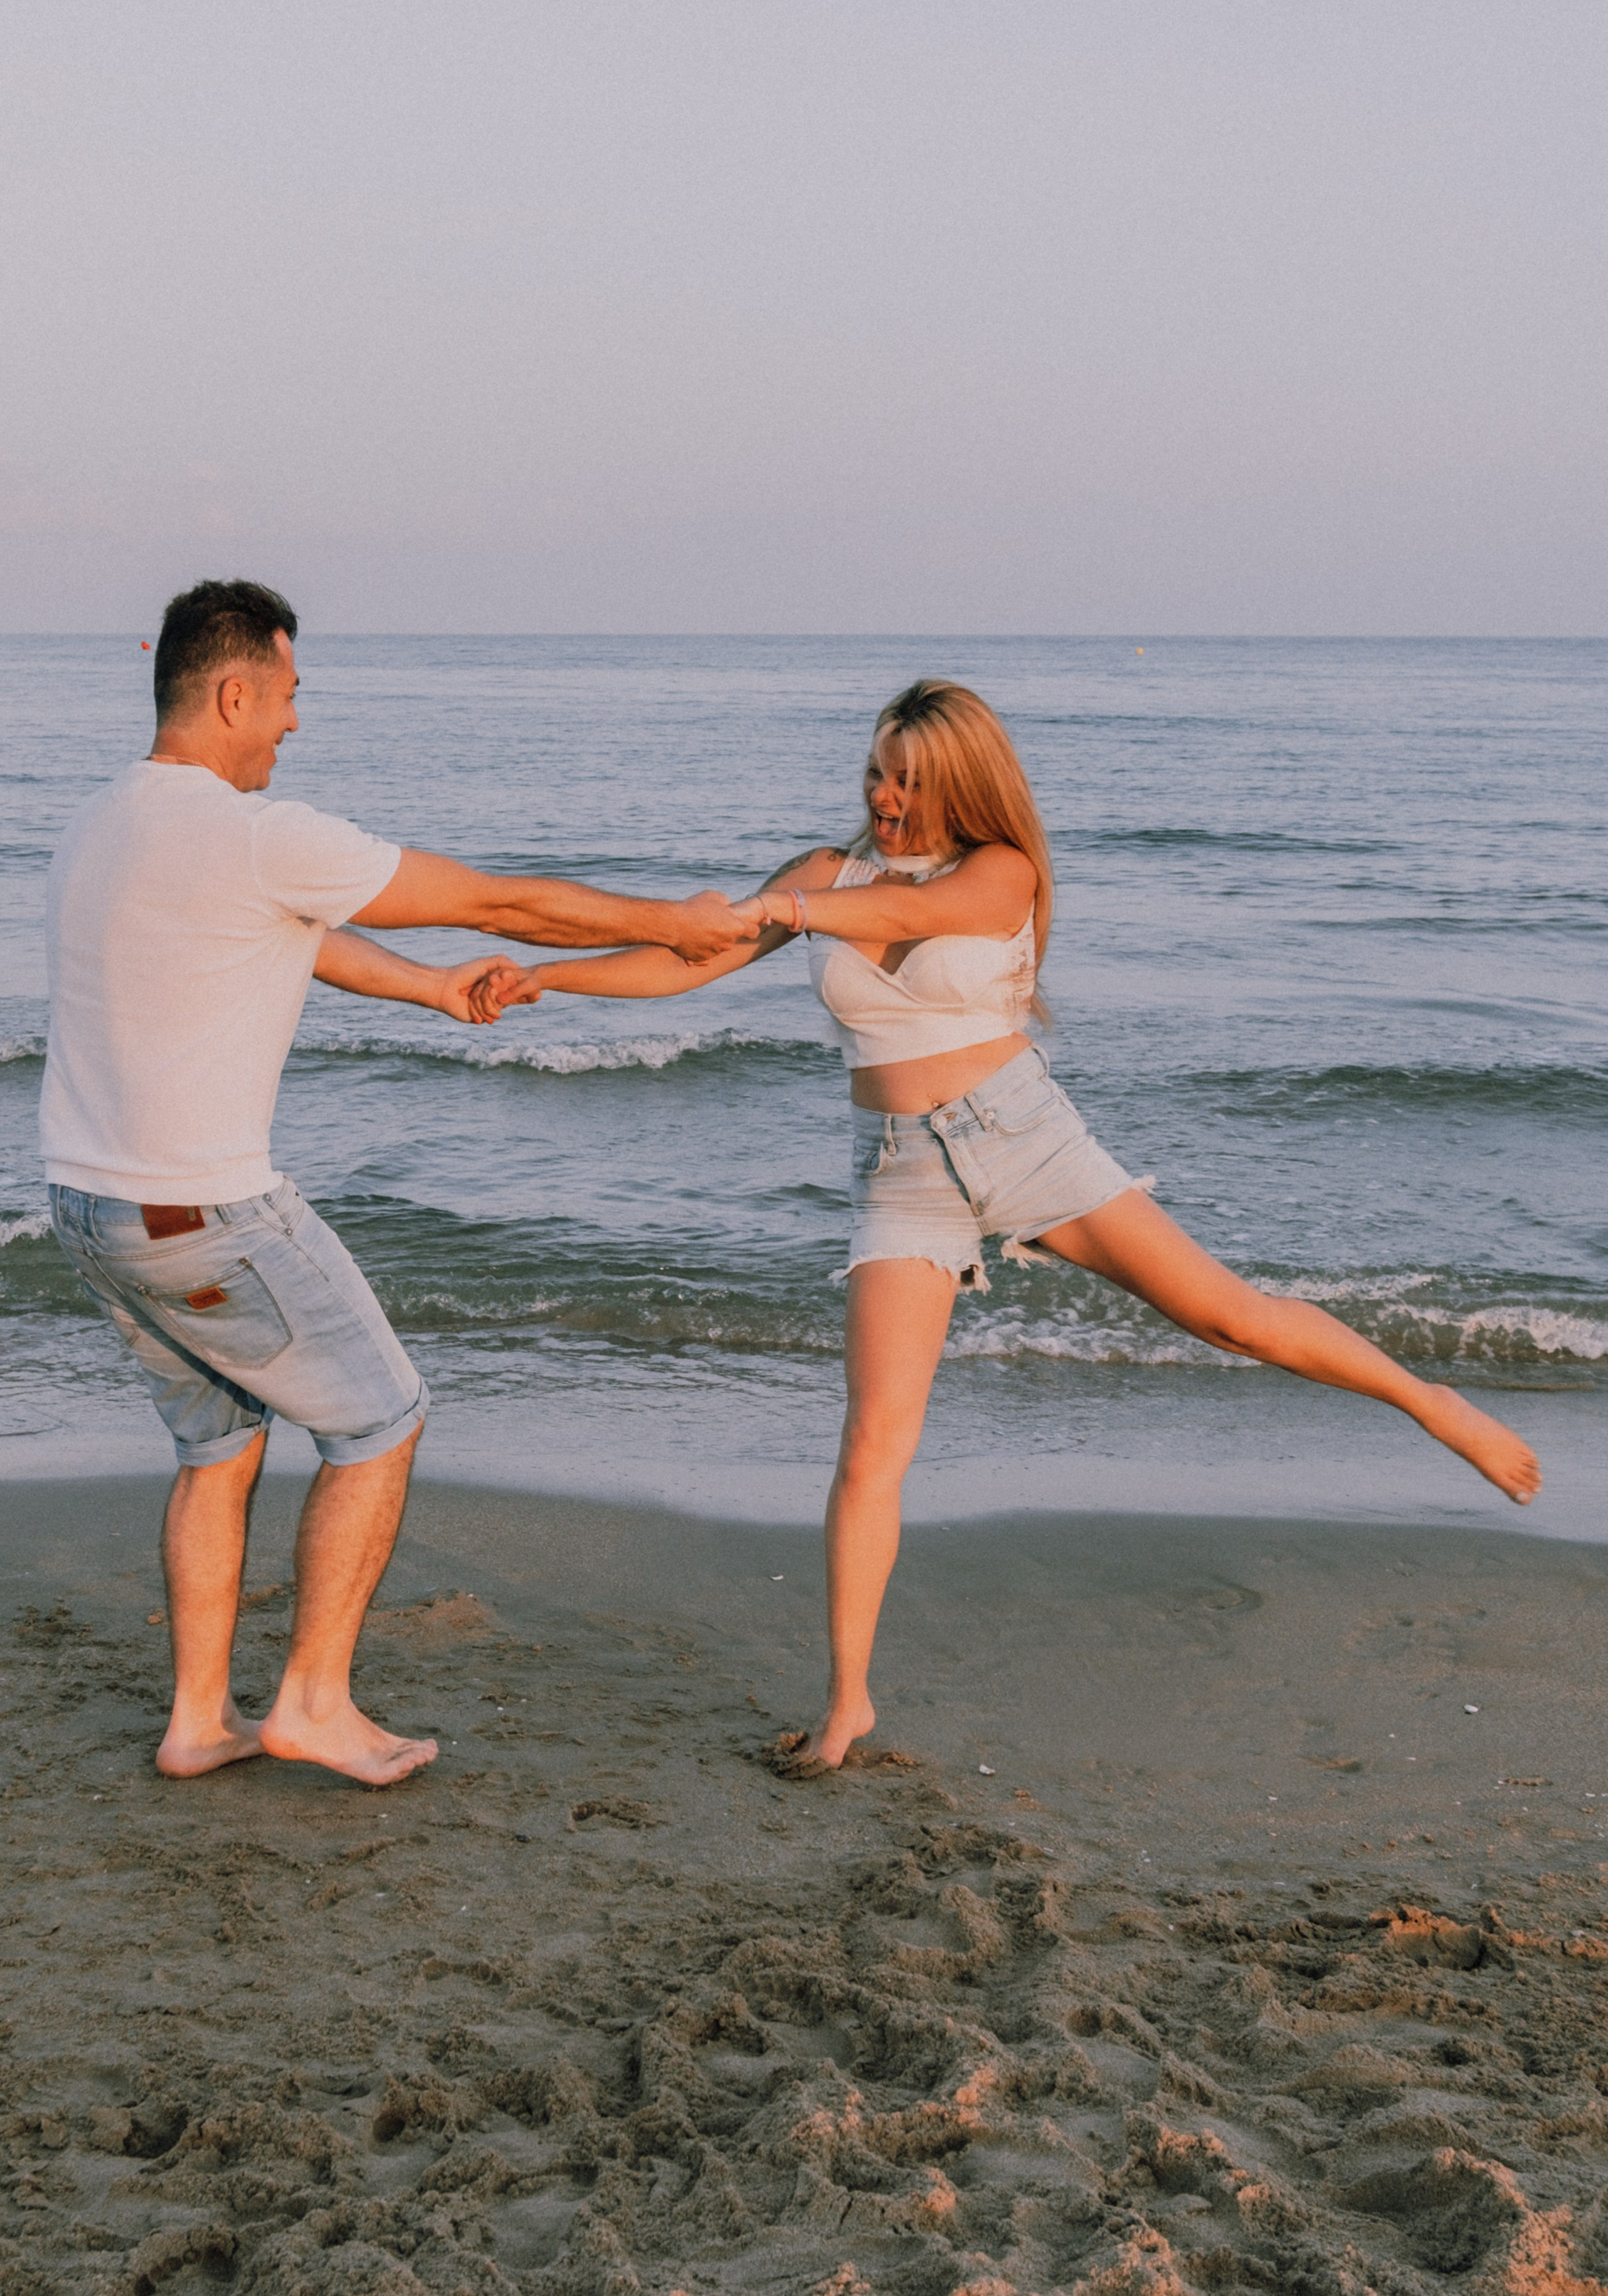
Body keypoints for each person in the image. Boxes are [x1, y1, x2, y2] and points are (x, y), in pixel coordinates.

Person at [477, 678, 1542, 1770]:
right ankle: (848, 1704)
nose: (885, 798)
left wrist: (783, 912)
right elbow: (684, 961)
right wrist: (546, 979)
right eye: (877, 774)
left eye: (910, 781)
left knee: (1230, 1320)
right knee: (872, 1445)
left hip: (1024, 1134)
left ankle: (1431, 1402)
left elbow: (909, 917)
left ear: (963, 787)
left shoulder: (999, 873)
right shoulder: (820, 871)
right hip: (898, 1172)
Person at [41, 579, 739, 1789]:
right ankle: (312, 1702)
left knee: (217, 1447)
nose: (295, 726)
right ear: (234, 691)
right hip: (202, 1211)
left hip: (92, 1207)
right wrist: (669, 921)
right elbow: (495, 897)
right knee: (380, 1419)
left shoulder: (103, 822)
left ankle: (199, 1720)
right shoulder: (256, 830)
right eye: (291, 698)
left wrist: (430, 991)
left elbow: (287, 935)